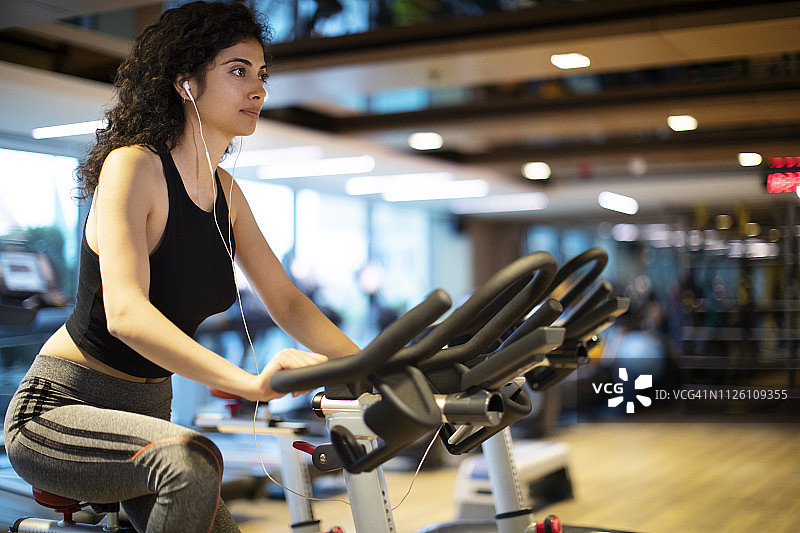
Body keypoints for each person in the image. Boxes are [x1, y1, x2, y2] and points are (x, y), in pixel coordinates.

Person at [3, 2, 359, 532]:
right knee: (194, 462)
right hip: (59, 413)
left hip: (147, 423)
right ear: (186, 84)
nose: (258, 89)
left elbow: (287, 301)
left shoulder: (227, 195)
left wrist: (370, 364)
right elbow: (126, 313)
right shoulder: (133, 166)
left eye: (261, 75)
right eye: (237, 71)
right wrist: (248, 383)